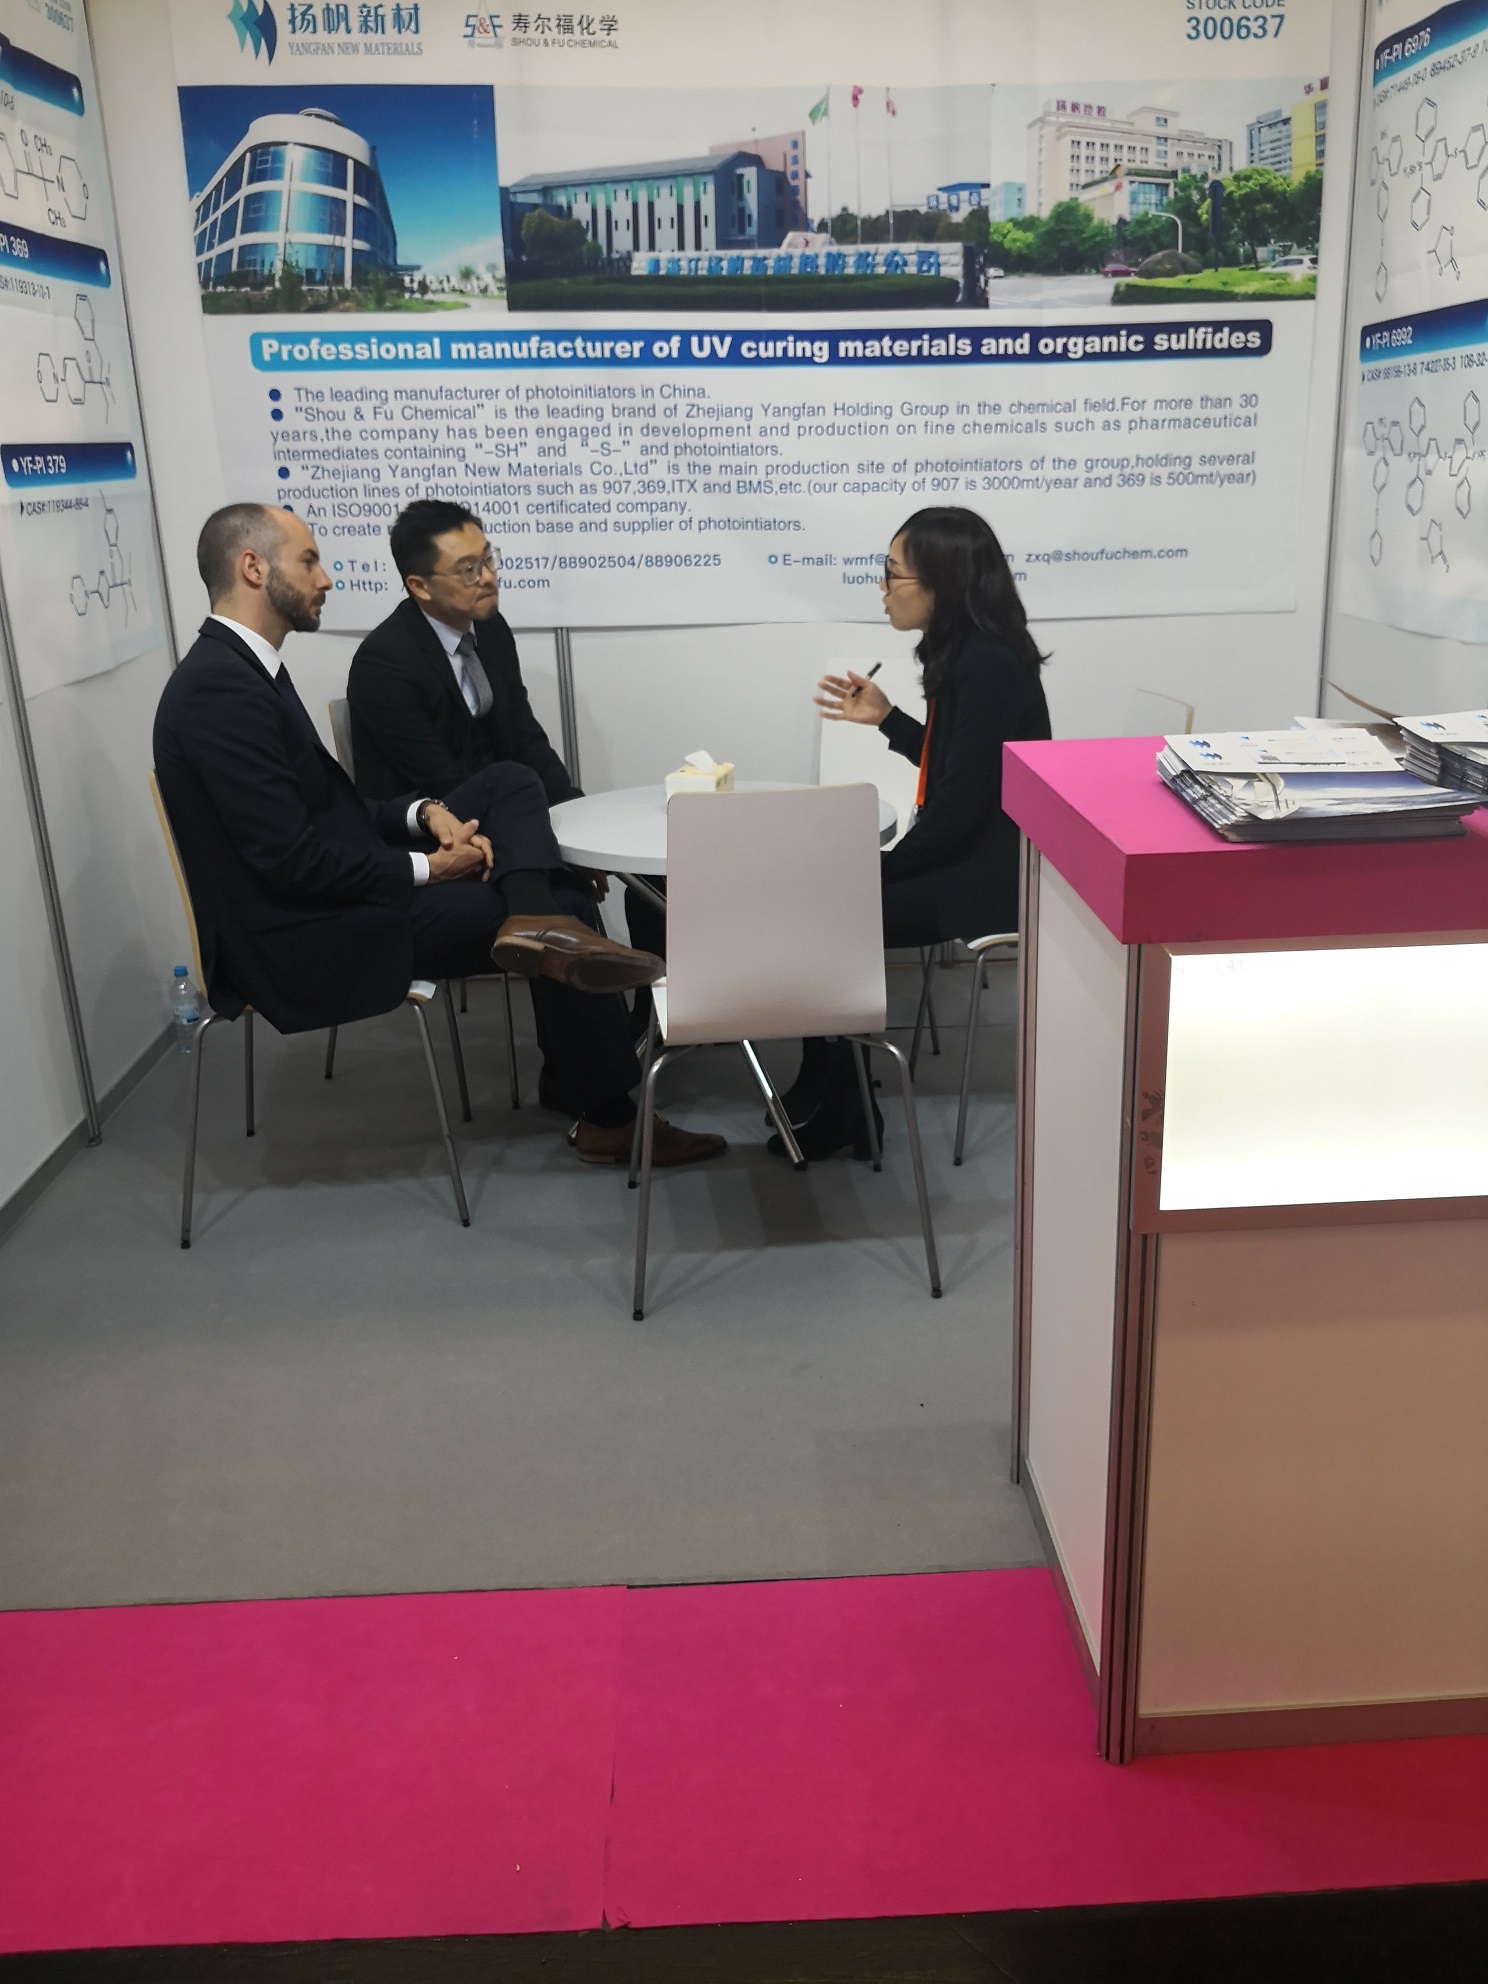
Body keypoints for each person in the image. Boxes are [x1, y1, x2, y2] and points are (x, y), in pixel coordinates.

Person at [153, 503, 726, 1168]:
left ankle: (540, 935)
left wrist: (422, 813)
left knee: (511, 781)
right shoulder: (221, 692)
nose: (326, 578)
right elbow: (291, 861)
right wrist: (430, 867)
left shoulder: (243, 672)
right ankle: (608, 1113)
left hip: (340, 888)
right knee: (566, 900)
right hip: (302, 932)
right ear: (253, 568)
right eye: (309, 561)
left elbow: (335, 813)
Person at [777, 505, 1051, 1160]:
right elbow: (957, 767)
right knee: (827, 904)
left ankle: (846, 1102)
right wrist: (888, 719)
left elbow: (957, 812)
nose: (883, 587)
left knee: (829, 915)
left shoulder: (986, 665)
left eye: (893, 573)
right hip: (970, 858)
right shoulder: (969, 655)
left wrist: (882, 869)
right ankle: (828, 1079)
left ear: (942, 583)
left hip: (989, 879)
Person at [346, 499, 668, 1045]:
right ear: (420, 586)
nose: (489, 578)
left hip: (503, 810)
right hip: (436, 833)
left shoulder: (489, 632)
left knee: (643, 871)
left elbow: (524, 736)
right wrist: (548, 845)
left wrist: (580, 821)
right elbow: (438, 778)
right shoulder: (386, 662)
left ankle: (652, 1021)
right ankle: (597, 1081)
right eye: (468, 569)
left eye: (488, 559)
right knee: (566, 896)